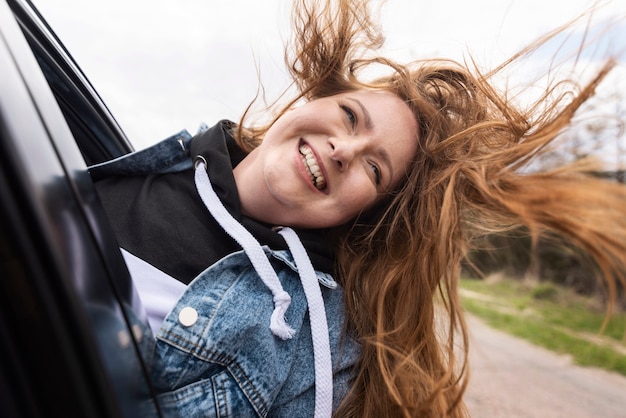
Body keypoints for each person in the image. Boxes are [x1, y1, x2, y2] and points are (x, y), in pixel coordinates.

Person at [90, 0, 626, 416]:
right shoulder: (107, 161)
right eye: (349, 116)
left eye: (375, 169)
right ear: (311, 100)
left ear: (364, 212)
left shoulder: (319, 346)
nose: (343, 152)